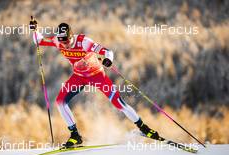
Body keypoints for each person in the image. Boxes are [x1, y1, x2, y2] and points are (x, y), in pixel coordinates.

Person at [30, 19, 160, 147]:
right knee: (60, 102)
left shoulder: (84, 42)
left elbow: (108, 52)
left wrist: (108, 60)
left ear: (71, 36)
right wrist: (34, 30)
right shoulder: (58, 41)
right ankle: (75, 136)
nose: (65, 45)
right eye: (62, 42)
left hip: (97, 75)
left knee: (117, 102)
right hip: (79, 76)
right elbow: (39, 41)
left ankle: (143, 128)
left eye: (67, 41)